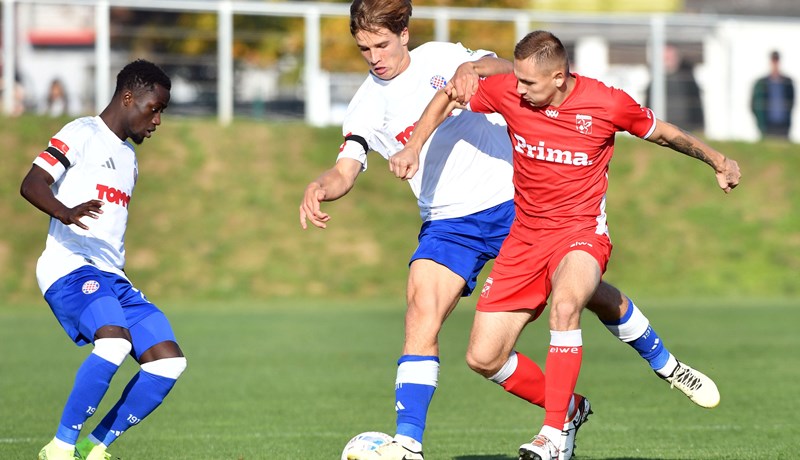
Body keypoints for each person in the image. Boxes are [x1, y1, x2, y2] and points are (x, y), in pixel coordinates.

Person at [302, 3, 721, 458]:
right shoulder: (364, 104)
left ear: (404, 33)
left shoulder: (442, 57)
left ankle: (664, 363)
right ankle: (409, 444)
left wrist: (471, 67)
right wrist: (322, 187)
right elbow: (345, 169)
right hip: (448, 223)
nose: (374, 56)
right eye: (364, 48)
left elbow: (511, 72)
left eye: (381, 44)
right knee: (430, 318)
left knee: (583, 293)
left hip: (515, 205)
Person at [21, 59, 187, 460]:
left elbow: (111, 233)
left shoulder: (129, 159)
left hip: (112, 275)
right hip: (69, 264)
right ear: (129, 96)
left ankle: (93, 449)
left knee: (169, 363)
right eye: (155, 108)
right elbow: (31, 183)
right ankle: (59, 449)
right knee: (113, 344)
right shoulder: (81, 133)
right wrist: (65, 212)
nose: (158, 120)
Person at [645, 44, 704, 133]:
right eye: (666, 58)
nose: (668, 60)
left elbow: (696, 107)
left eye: (671, 57)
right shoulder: (654, 82)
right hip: (660, 130)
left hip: (686, 129)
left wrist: (699, 127)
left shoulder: (688, 79)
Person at [751, 50, 795, 139]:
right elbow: (754, 104)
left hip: (783, 125)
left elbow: (792, 103)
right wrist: (760, 122)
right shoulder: (761, 83)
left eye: (777, 60)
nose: (775, 63)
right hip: (767, 125)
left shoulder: (787, 82)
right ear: (770, 61)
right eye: (773, 60)